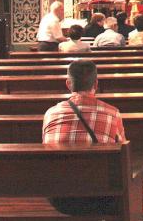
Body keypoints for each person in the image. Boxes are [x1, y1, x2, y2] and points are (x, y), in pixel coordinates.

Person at [42, 59, 126, 217]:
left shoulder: (51, 113)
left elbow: (47, 151)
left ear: (68, 84)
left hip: (59, 197)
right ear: (96, 83)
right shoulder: (112, 113)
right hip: (99, 195)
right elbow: (121, 152)